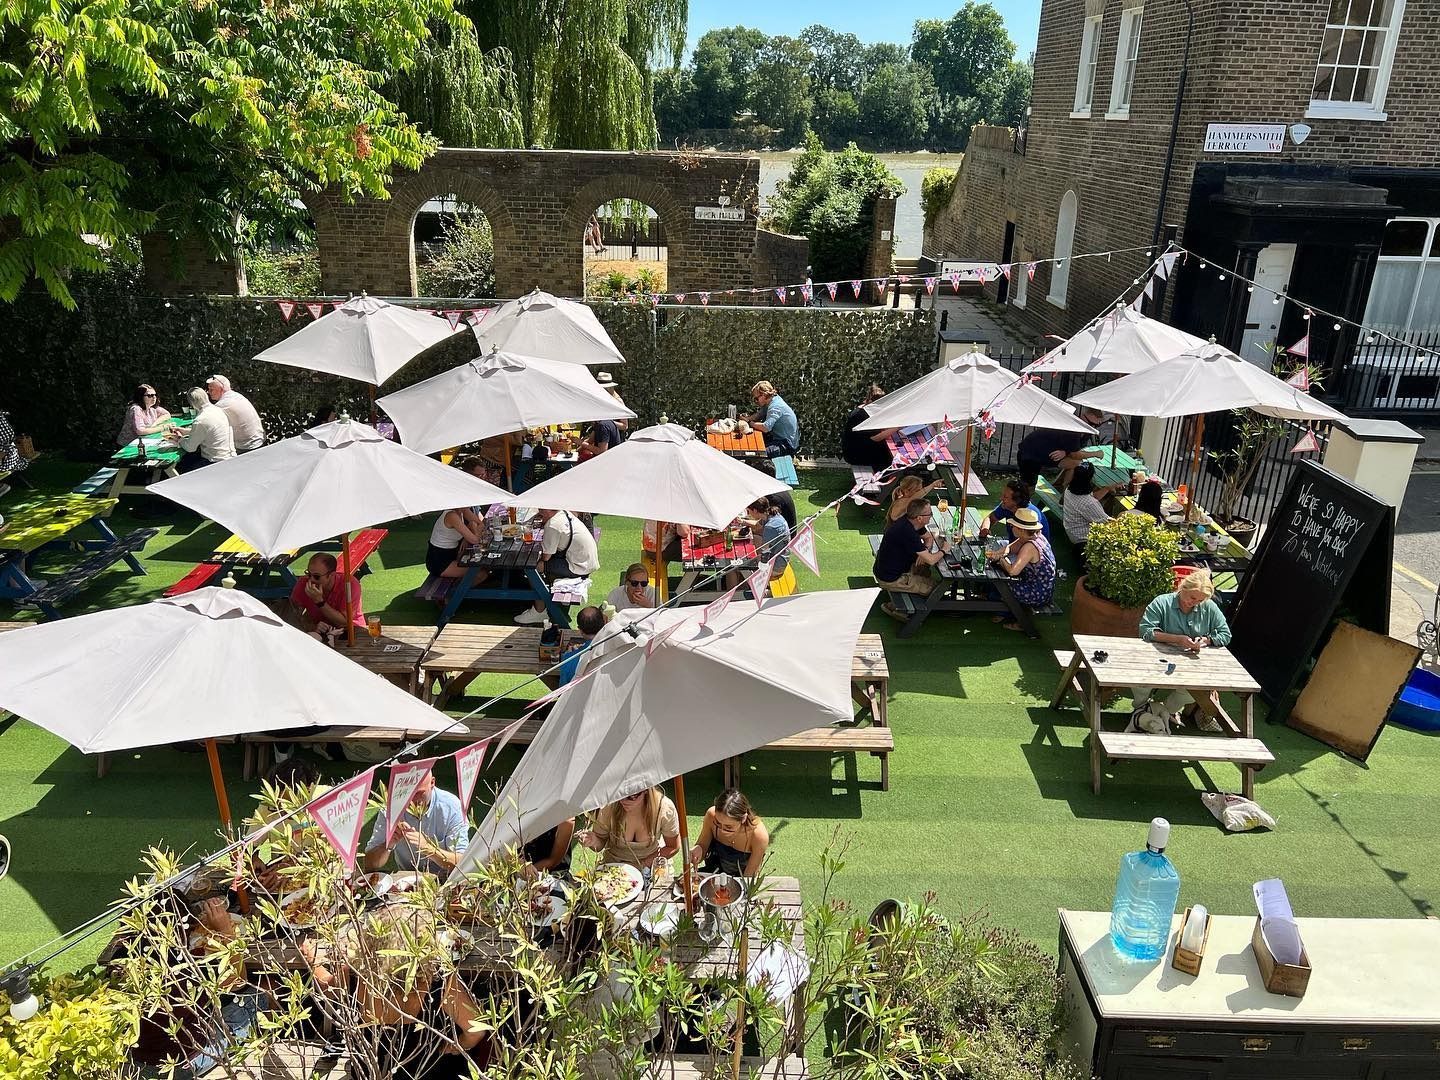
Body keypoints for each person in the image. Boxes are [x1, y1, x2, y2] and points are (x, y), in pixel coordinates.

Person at [297, 904, 486, 1079]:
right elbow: (476, 1031)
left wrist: (313, 959)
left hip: (372, 1069)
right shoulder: (440, 979)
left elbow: (327, 987)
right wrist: (457, 1045)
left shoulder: (357, 973)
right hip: (428, 1070)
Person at [1131, 570, 1233, 734]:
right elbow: (1146, 631)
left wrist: (1206, 640)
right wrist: (1177, 639)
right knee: (1142, 682)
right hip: (1157, 658)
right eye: (1192, 597)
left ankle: (1168, 709)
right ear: (1182, 587)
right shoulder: (1162, 602)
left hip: (1190, 662)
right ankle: (1140, 708)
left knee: (1194, 690)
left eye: (1200, 600)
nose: (1194, 603)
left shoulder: (1209, 607)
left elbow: (1225, 634)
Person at [363, 772, 471, 875]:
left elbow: (463, 862)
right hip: (407, 877)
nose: (412, 800)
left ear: (432, 783)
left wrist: (428, 848)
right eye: (407, 794)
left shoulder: (451, 807)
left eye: (419, 793)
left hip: (445, 876)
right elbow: (369, 864)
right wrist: (388, 844)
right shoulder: (390, 810)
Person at [515, 507, 600, 625]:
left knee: (532, 567)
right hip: (585, 561)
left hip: (579, 566)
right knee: (535, 563)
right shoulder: (564, 512)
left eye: (541, 510)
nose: (539, 513)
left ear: (549, 510)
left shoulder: (553, 524)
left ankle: (539, 611)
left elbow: (546, 557)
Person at [873, 498, 951, 620]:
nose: (931, 515)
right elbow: (931, 560)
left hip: (889, 568)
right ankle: (895, 608)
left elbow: (929, 538)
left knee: (925, 570)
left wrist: (923, 551)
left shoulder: (910, 522)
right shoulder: (907, 532)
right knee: (936, 589)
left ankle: (909, 595)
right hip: (891, 578)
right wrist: (944, 549)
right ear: (919, 518)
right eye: (929, 513)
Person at [984, 507, 1058, 630]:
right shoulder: (1034, 537)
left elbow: (1013, 571)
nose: (1012, 527)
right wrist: (998, 553)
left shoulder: (1029, 547)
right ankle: (1001, 607)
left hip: (1036, 593)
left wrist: (1001, 560)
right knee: (998, 578)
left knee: (1000, 583)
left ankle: (1009, 614)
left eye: (1014, 526)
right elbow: (1010, 548)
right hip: (1043, 588)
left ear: (1022, 530)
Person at [579, 787, 681, 870]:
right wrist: (593, 841)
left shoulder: (664, 808)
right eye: (620, 794)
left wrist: (642, 865)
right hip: (613, 866)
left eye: (632, 796)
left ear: (646, 789)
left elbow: (673, 847)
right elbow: (599, 844)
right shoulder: (609, 805)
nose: (624, 801)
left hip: (650, 864)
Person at [425, 459, 491, 581]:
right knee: (481, 573)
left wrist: (474, 526)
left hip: (453, 555)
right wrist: (474, 529)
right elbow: (475, 539)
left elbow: (480, 523)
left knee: (485, 567)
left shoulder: (463, 510)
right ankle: (452, 597)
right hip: (440, 562)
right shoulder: (452, 516)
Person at [1015, 408, 1106, 488]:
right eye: (1093, 424)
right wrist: (1096, 453)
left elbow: (1074, 449)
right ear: (1088, 416)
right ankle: (1020, 503)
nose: (1094, 427)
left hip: (1044, 452)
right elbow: (1075, 454)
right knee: (1027, 486)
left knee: (1076, 463)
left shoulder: (1085, 429)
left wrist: (1066, 452)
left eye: (1097, 425)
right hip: (1030, 453)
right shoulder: (1073, 428)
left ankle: (1065, 491)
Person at [688, 789, 769, 878]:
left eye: (728, 827)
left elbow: (748, 878)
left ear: (743, 818)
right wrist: (698, 850)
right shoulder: (711, 815)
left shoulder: (758, 836)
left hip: (739, 880)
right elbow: (703, 846)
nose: (722, 830)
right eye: (718, 823)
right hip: (712, 873)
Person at [288, 552, 364, 639]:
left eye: (317, 576)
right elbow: (292, 616)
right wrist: (311, 626)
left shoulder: (349, 584)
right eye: (308, 574)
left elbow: (345, 622)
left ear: (331, 575)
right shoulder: (303, 583)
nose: (311, 579)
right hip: (320, 633)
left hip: (351, 632)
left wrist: (319, 601)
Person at [1062, 462, 1120, 563]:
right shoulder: (1089, 504)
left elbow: (1092, 496)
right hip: (1083, 540)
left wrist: (1107, 488)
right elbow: (1108, 522)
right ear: (1090, 479)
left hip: (1072, 530)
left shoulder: (1069, 490)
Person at [168, 387, 235, 471]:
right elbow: (209, 431)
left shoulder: (200, 420)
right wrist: (186, 432)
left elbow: (190, 448)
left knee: (181, 466)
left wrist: (179, 439)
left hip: (214, 462)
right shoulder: (218, 410)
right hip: (230, 457)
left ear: (192, 403)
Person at [979, 478, 1052, 542]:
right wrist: (985, 529)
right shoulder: (1007, 506)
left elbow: (1025, 545)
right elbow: (990, 518)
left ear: (1016, 501)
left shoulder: (1030, 516)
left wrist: (1005, 551)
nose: (1001, 498)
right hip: (1015, 547)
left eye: (1005, 497)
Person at [205, 375, 265, 453]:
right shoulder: (236, 396)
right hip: (259, 439)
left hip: (247, 447)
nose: (208, 392)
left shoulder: (223, 404)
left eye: (211, 389)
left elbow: (205, 425)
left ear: (221, 389)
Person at [841, 385, 896, 469]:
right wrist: (897, 428)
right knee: (888, 457)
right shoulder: (862, 416)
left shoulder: (864, 408)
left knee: (886, 450)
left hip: (858, 448)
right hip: (856, 454)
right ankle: (884, 478)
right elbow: (875, 438)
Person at [743, 380, 800, 459]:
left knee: (756, 455)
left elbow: (766, 428)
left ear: (764, 395)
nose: (756, 401)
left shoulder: (775, 407)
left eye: (756, 398)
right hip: (777, 438)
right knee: (751, 446)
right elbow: (760, 414)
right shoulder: (772, 401)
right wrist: (746, 419)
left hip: (786, 444)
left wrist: (749, 422)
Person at [557, 605, 605, 686]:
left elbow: (562, 691)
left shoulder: (568, 660)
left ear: (580, 630)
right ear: (604, 623)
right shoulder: (616, 648)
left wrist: (570, 655)